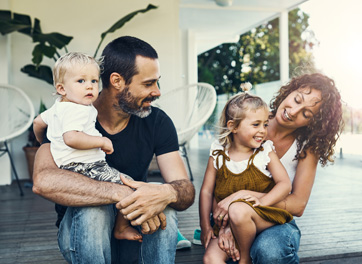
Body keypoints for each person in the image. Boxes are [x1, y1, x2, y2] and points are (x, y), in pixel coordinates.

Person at [32, 36, 195, 264]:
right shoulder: (68, 113)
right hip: (83, 236)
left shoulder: (157, 121)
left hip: (134, 232)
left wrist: (167, 193)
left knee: (161, 203)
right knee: (94, 211)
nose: (157, 92)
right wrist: (120, 193)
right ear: (117, 81)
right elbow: (44, 181)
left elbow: (185, 188)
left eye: (157, 83)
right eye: (148, 84)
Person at [211, 73, 344, 263]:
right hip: (232, 216)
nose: (294, 111)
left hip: (276, 220)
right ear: (289, 91)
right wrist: (229, 223)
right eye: (297, 99)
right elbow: (217, 179)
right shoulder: (251, 119)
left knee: (269, 250)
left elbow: (298, 205)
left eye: (307, 114)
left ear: (313, 122)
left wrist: (242, 198)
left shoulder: (306, 147)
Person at [33, 52, 142, 242]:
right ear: (61, 88)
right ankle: (121, 228)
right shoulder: (78, 110)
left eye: (94, 80)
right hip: (87, 166)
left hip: (68, 168)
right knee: (130, 186)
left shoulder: (58, 107)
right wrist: (102, 141)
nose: (90, 85)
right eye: (81, 81)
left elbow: (37, 123)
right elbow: (71, 138)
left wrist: (44, 141)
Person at [200, 90, 293, 264]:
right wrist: (205, 225)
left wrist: (263, 203)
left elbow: (285, 184)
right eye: (256, 124)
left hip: (263, 215)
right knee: (210, 259)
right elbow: (206, 191)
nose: (263, 131)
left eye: (265, 124)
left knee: (238, 209)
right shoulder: (218, 154)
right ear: (233, 126)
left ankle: (244, 260)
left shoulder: (265, 152)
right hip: (229, 223)